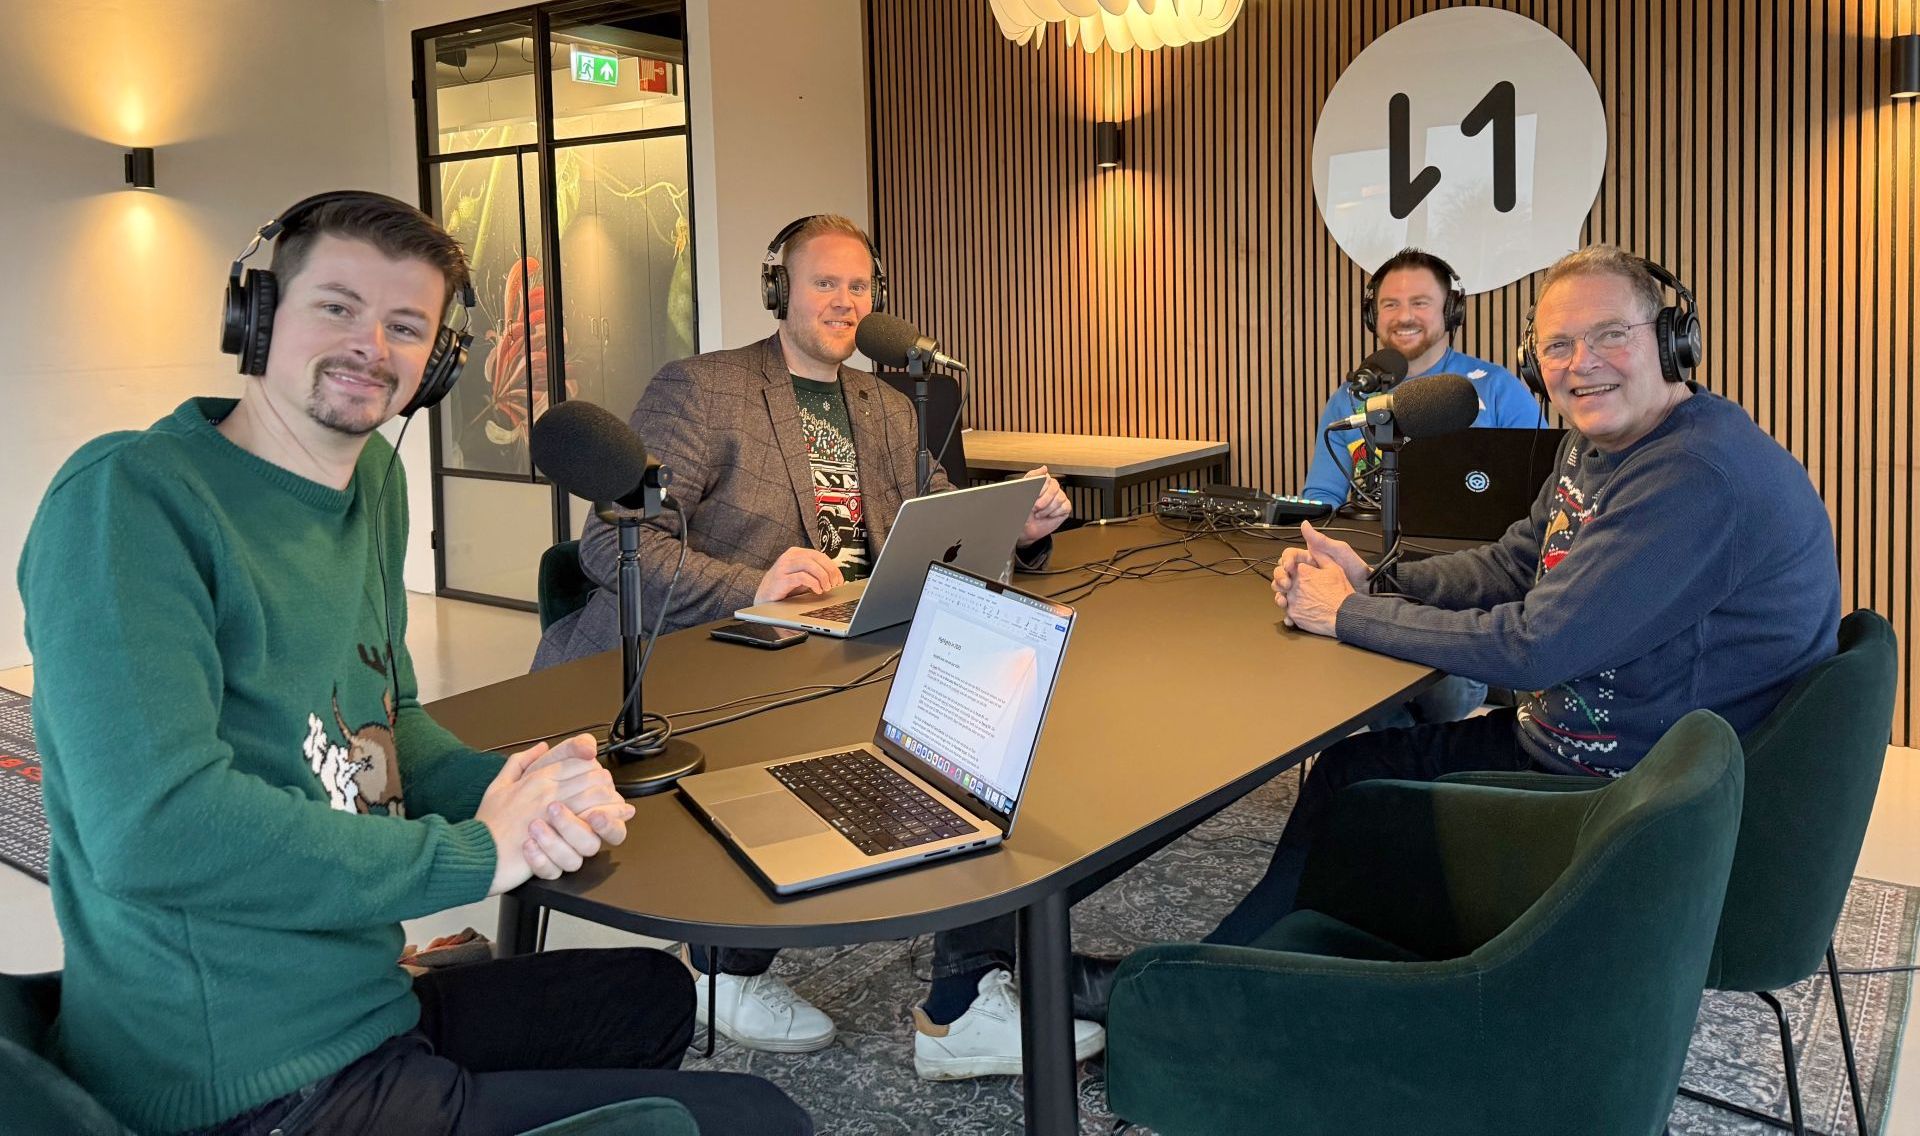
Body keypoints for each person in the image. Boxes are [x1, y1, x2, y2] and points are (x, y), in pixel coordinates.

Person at [17, 191, 809, 1135]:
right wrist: (478, 853)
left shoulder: (374, 484)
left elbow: (391, 725)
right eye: (336, 306)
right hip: (246, 1079)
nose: (370, 346)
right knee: (759, 1120)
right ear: (257, 316)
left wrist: (523, 791)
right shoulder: (130, 499)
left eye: (404, 326)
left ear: (435, 362)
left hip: (363, 1001)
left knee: (649, 997)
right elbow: (155, 830)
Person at [533, 213, 1102, 1080]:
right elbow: (616, 544)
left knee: (985, 723)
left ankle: (962, 1000)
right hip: (722, 653)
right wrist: (751, 582)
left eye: (859, 286)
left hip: (855, 641)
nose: (845, 301)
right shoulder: (703, 389)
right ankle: (724, 970)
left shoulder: (886, 405)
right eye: (824, 282)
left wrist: (1020, 526)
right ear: (780, 291)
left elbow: (942, 522)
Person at [1212, 244, 1840, 945]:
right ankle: (1265, 955)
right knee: (1352, 773)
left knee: (1352, 792)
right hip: (1575, 751)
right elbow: (1515, 564)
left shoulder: (1695, 476)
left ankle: (1222, 978)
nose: (1582, 363)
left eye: (1610, 334)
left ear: (1670, 341)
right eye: (1558, 345)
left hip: (1639, 805)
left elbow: (1536, 647)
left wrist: (1348, 614)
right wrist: (1378, 581)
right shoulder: (1595, 445)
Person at [1300, 248, 1547, 729]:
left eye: (1420, 302)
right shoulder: (1351, 398)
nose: (1404, 316)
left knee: (1444, 697)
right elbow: (1321, 500)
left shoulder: (1496, 389)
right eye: (1390, 304)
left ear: (1450, 311)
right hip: (1375, 578)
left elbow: (1543, 501)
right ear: (1373, 315)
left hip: (1466, 587)